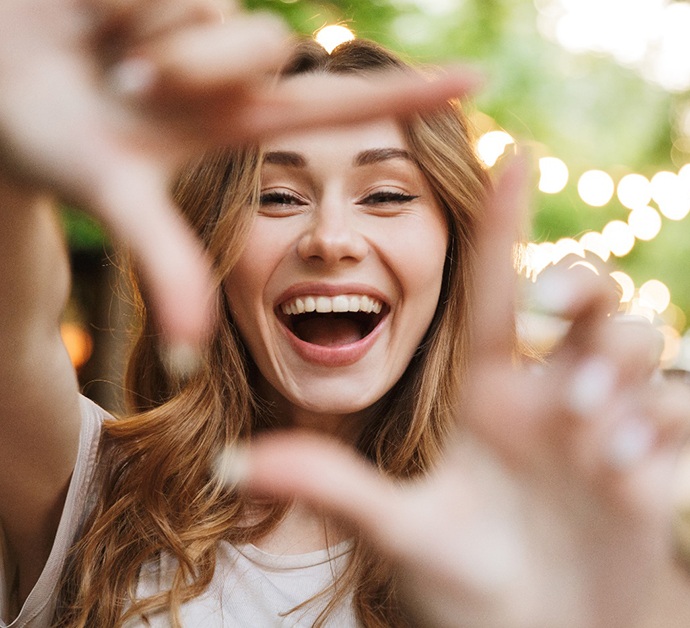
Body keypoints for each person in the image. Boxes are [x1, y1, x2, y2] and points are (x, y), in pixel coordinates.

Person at [3, 3, 690, 628]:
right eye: (276, 197)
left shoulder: (548, 530)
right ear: (215, 246)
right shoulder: (93, 487)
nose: (330, 238)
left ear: (454, 250)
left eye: (386, 195)